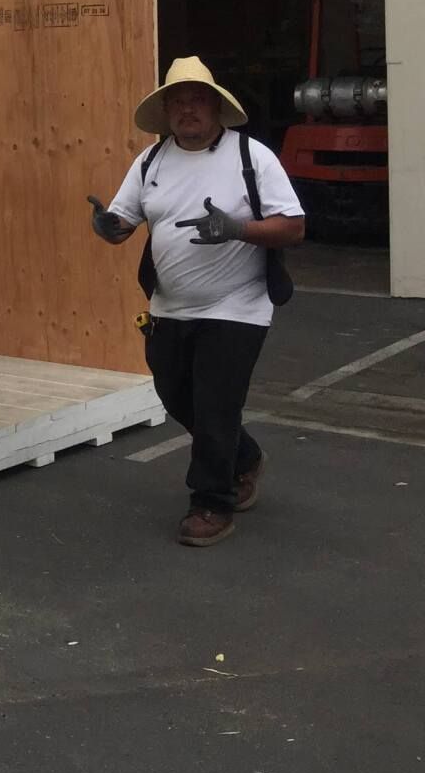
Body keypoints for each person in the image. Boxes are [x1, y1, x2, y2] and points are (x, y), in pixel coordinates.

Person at [87, 57, 305, 547]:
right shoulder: (151, 161)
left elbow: (293, 226)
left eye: (197, 99)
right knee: (174, 396)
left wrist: (236, 228)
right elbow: (123, 222)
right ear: (167, 112)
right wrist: (107, 227)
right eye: (178, 101)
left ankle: (211, 502)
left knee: (214, 406)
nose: (187, 109)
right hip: (169, 306)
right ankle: (244, 458)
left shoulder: (253, 157)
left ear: (216, 107)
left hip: (238, 306)